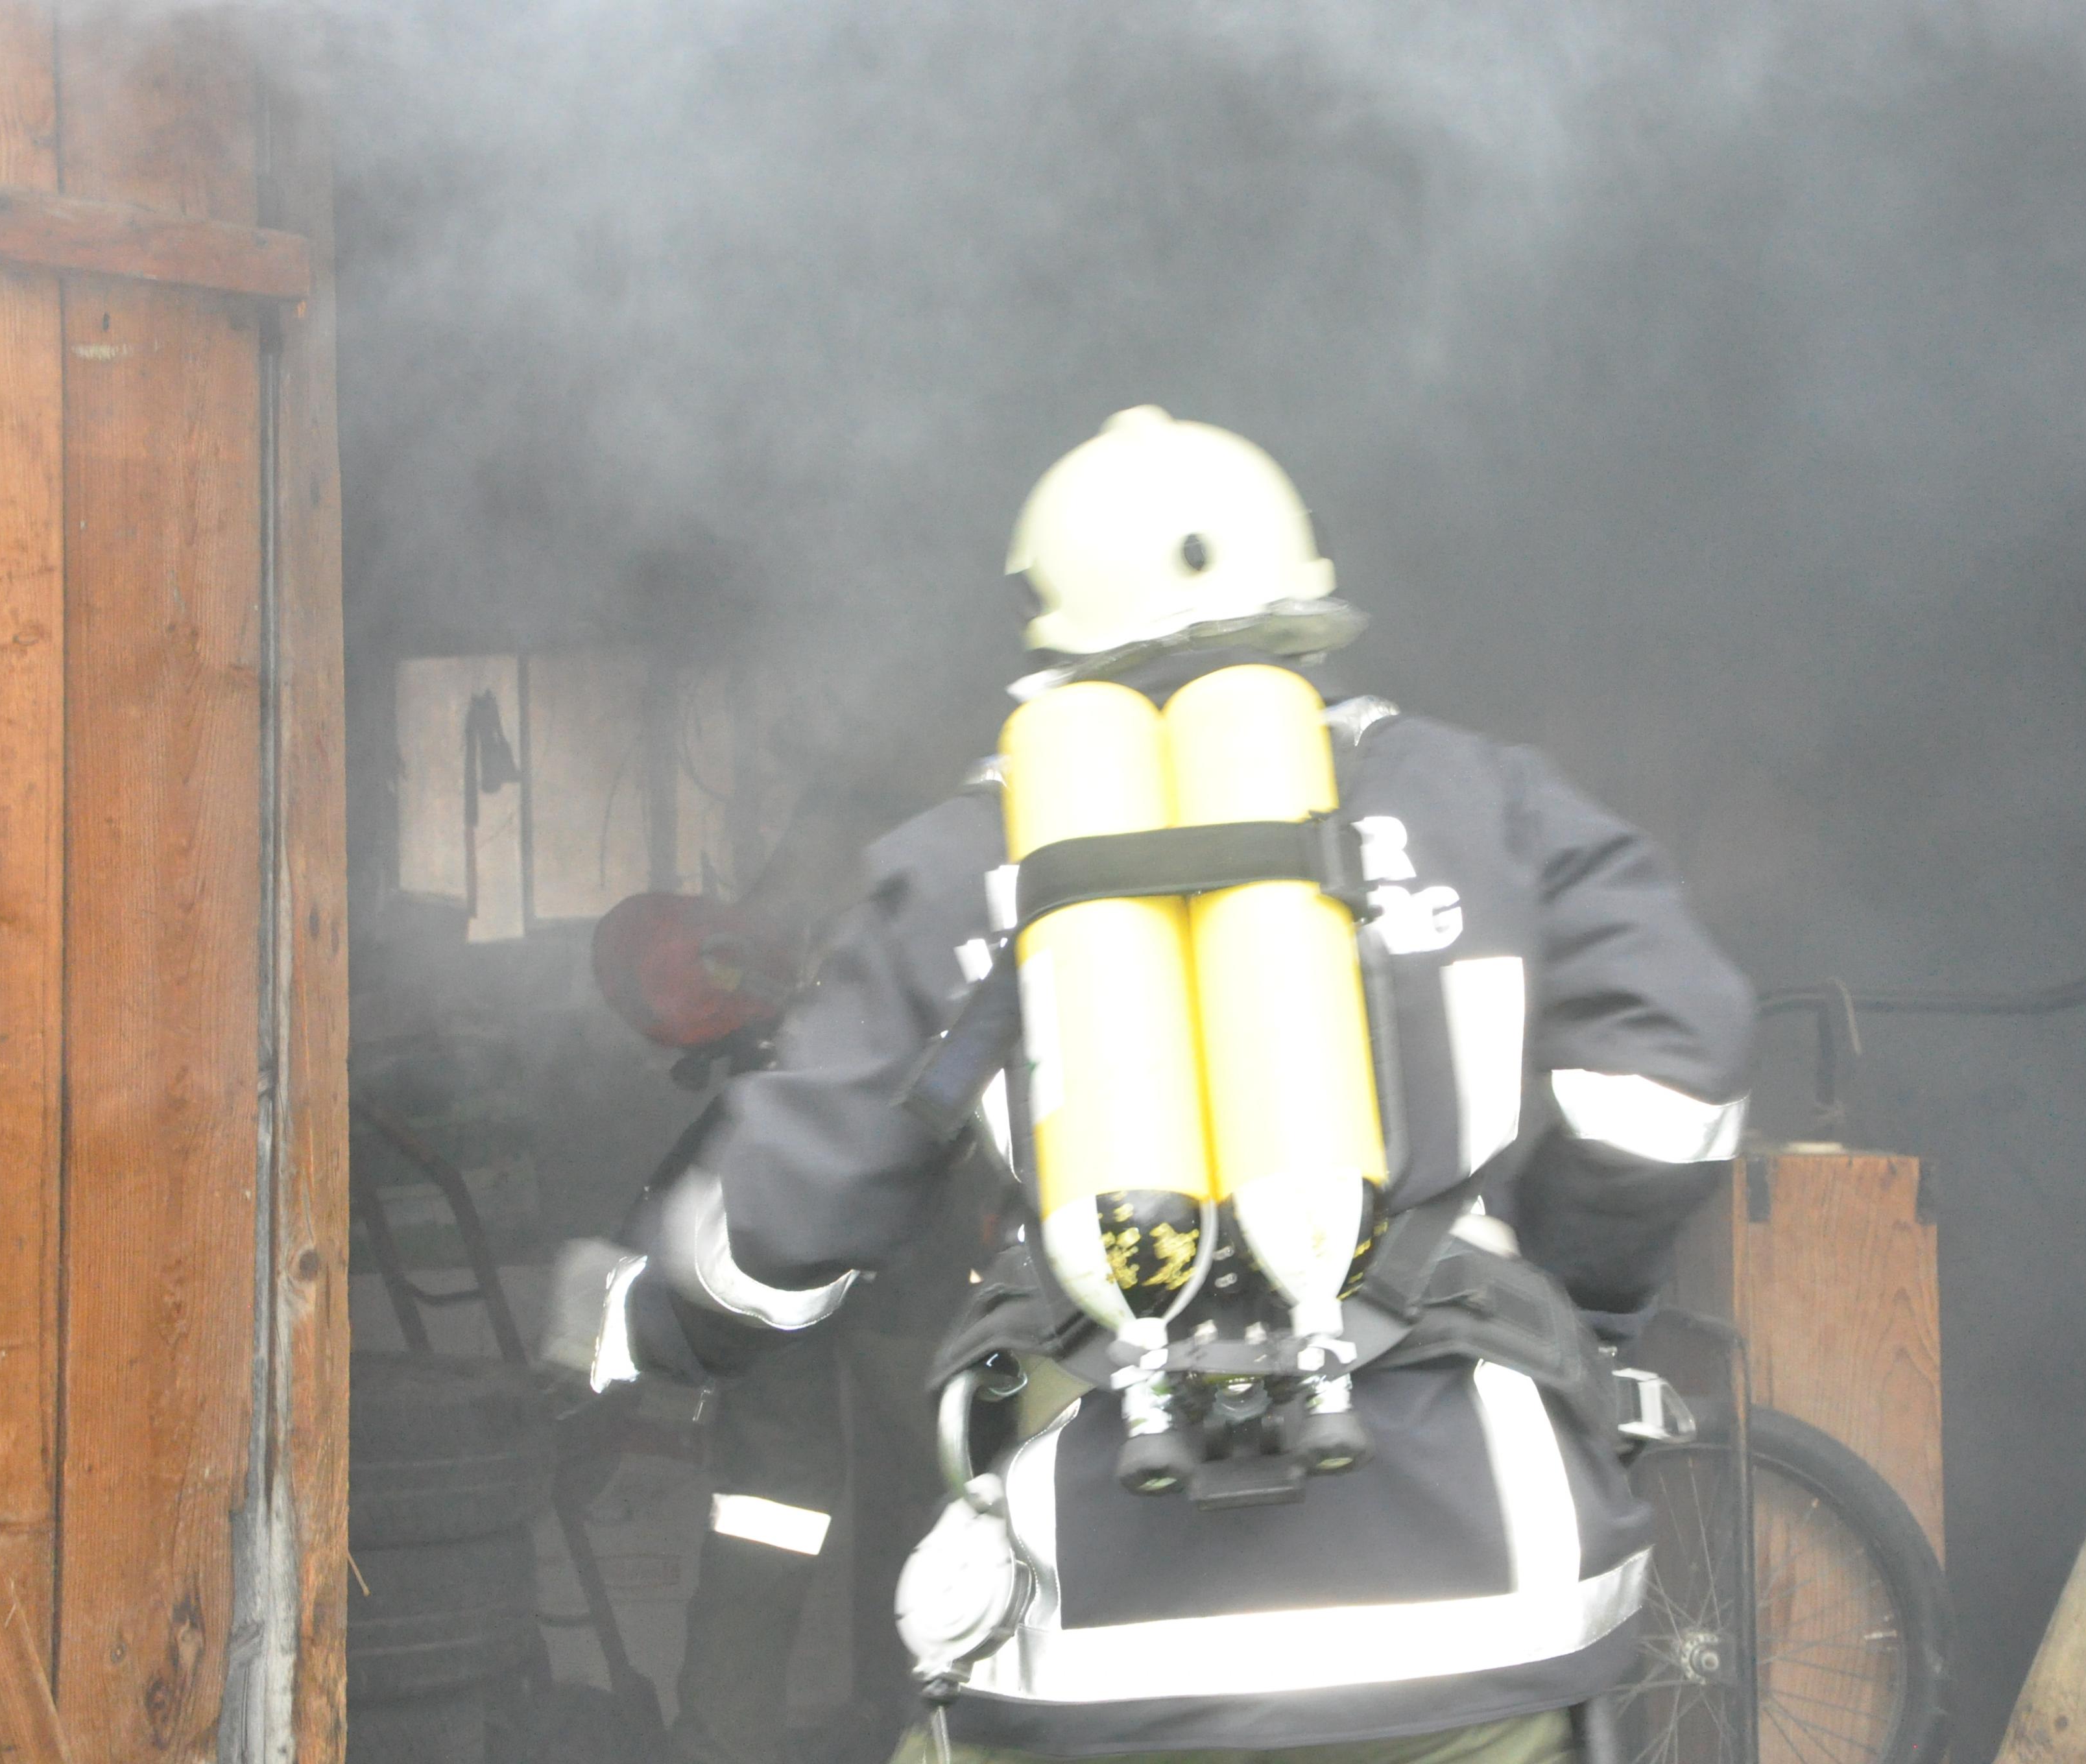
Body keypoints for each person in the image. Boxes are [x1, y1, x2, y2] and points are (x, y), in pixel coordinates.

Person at [555, 407, 1755, 1763]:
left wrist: (641, 1319)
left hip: (1106, 1645)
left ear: (1048, 621)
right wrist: (1564, 1298)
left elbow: (784, 1230)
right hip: (1485, 1617)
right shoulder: (1485, 803)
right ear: (1301, 591)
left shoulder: (966, 859)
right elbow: (1677, 1067)